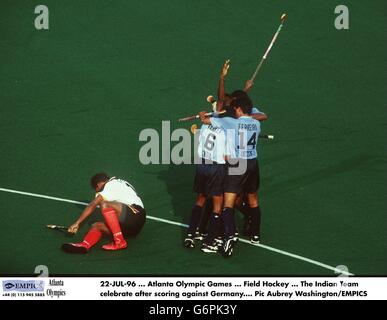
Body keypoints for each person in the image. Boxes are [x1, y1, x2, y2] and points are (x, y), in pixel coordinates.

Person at [200, 94, 262, 257]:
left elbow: (207, 121)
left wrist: (203, 116)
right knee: (253, 198)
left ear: (239, 109)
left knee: (228, 203)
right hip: (253, 163)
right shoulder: (256, 123)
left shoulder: (232, 122)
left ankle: (229, 234)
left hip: (237, 163)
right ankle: (255, 234)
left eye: (235, 109)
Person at [61, 173, 146, 254]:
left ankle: (119, 242)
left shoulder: (110, 185)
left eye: (96, 189)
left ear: (98, 185)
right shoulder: (120, 183)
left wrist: (77, 223)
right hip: (134, 228)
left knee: (104, 204)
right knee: (96, 226)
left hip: (135, 213)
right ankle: (85, 245)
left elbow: (92, 205)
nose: (97, 192)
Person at [183, 112, 228, 253]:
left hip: (202, 165)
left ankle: (191, 234)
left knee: (200, 199)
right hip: (216, 167)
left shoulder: (204, 126)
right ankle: (209, 242)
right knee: (217, 205)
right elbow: (227, 157)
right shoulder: (225, 129)